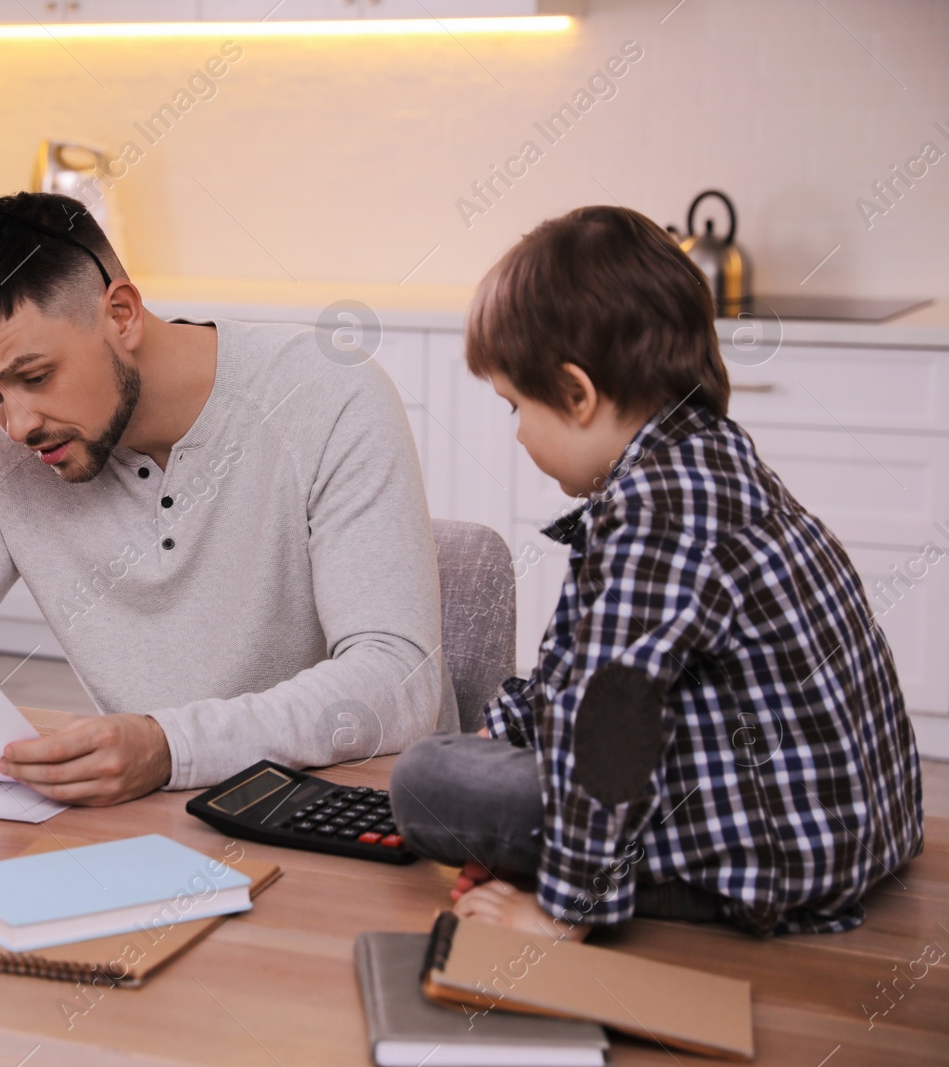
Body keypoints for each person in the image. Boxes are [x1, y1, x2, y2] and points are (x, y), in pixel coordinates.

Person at [0, 191, 458, 805]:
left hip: (354, 817)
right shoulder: (11, 463)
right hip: (167, 825)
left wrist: (170, 748)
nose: (18, 423)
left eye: (36, 375)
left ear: (122, 314)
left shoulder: (327, 396)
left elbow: (397, 682)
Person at [390, 206, 923, 937]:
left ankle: (656, 889)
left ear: (578, 395)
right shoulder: (712, 463)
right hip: (855, 832)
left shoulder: (654, 515)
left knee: (426, 781)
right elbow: (585, 667)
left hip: (777, 856)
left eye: (516, 405)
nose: (515, 432)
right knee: (482, 753)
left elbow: (611, 723)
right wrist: (508, 726)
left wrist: (561, 914)